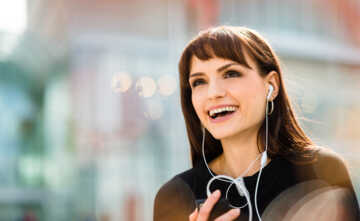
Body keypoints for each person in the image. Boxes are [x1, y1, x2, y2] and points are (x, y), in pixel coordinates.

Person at [153, 26, 360, 221]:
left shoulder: (320, 171)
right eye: (199, 82)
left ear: (271, 85)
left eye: (231, 74)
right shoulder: (175, 195)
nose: (213, 93)